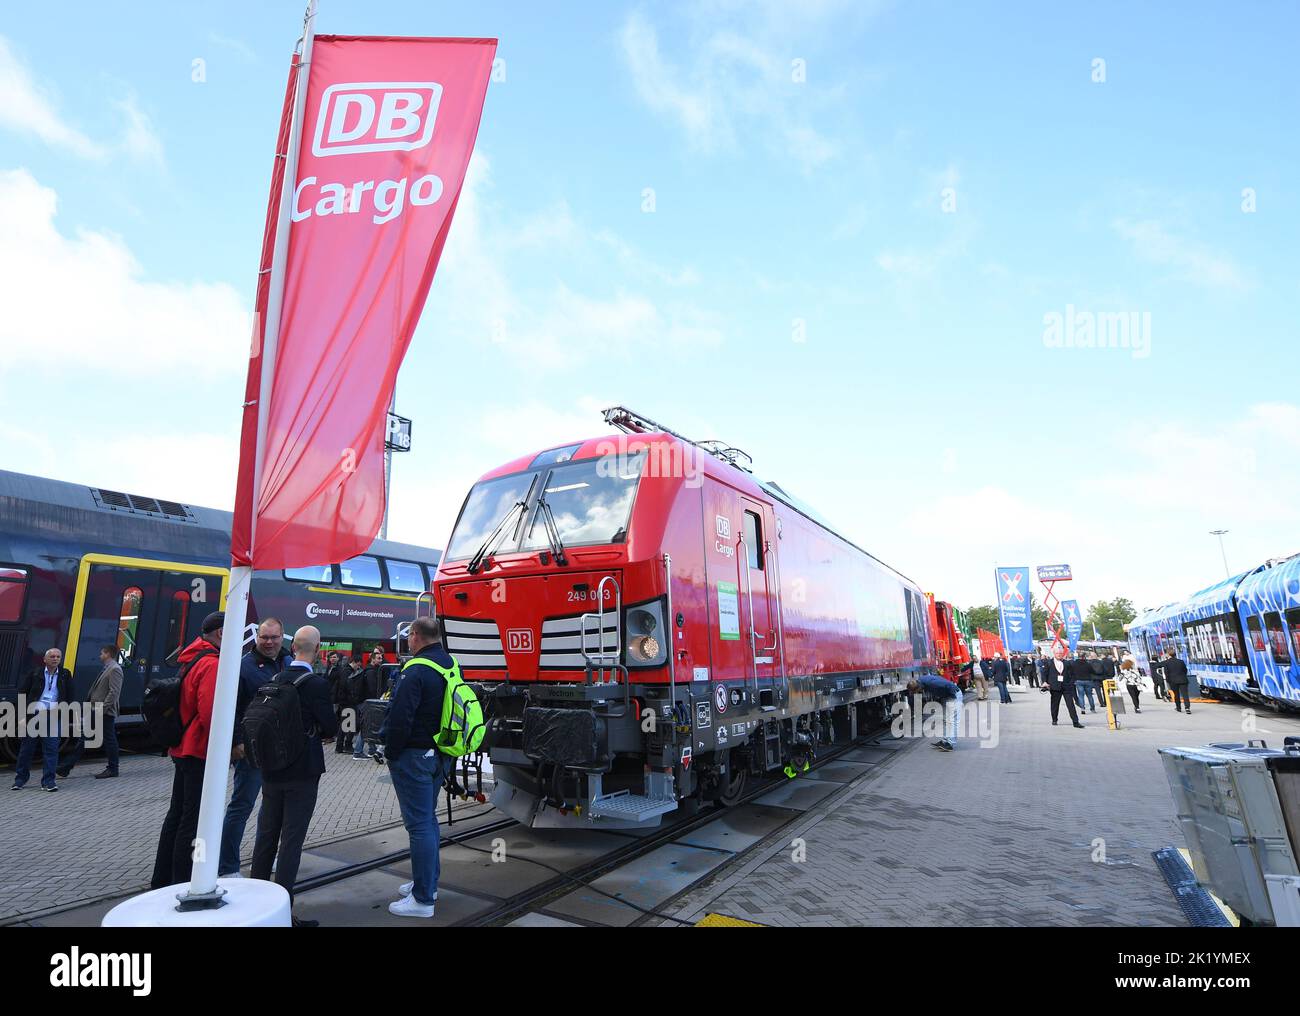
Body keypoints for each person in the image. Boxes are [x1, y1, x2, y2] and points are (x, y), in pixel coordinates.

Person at [249, 624, 336, 927]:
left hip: (271, 771)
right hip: (302, 772)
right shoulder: (315, 684)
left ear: (293, 647)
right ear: (318, 647)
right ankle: (282, 912)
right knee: (291, 842)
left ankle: (255, 906)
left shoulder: (274, 679)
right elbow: (330, 727)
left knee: (266, 836)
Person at [381, 616, 459, 917]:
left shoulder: (415, 670)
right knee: (428, 820)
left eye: (409, 636)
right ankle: (427, 883)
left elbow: (400, 717)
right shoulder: (449, 664)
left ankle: (423, 899)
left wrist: (391, 752)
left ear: (415, 636)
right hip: (440, 752)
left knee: (419, 826)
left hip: (414, 755)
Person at [150, 612, 225, 888]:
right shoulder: (212, 664)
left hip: (181, 748)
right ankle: (184, 880)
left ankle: (162, 879)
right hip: (199, 749)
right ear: (220, 634)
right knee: (193, 820)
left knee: (176, 814)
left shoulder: (191, 658)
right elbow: (210, 713)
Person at [217, 617, 292, 880]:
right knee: (241, 806)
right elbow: (232, 708)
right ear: (256, 638)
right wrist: (236, 742)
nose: (269, 642)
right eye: (264, 637)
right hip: (250, 750)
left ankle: (264, 858)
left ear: (283, 636)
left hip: (279, 751)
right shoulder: (243, 668)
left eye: (274, 637)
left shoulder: (288, 663)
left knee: (272, 810)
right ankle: (227, 867)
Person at [57, 646, 123, 779]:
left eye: (102, 653)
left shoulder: (115, 669)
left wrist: (102, 709)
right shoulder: (108, 668)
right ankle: (66, 767)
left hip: (103, 711)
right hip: (95, 708)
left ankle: (113, 768)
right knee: (87, 738)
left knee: (107, 739)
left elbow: (114, 692)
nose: (100, 656)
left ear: (108, 654)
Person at [12, 648, 73, 791]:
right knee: (26, 750)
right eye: (52, 656)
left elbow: (70, 697)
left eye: (58, 656)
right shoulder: (35, 673)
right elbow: (22, 693)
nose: (55, 659)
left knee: (51, 750)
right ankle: (20, 780)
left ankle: (48, 781)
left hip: (53, 717)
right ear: (45, 659)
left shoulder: (65, 674)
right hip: (33, 715)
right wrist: (21, 717)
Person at [906, 672, 963, 752]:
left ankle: (951, 743)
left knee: (952, 720)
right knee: (945, 720)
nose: (918, 693)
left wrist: (953, 697)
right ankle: (945, 740)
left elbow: (948, 685)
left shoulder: (932, 683)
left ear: (918, 687)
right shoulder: (921, 681)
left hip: (953, 696)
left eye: (917, 691)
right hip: (946, 697)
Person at [354, 646, 388, 759]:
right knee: (366, 727)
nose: (381, 660)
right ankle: (358, 751)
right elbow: (373, 689)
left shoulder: (371, 670)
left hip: (366, 702)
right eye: (378, 658)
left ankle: (372, 750)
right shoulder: (370, 672)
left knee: (369, 726)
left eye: (381, 658)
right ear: (373, 659)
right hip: (367, 703)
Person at [1042, 645, 1085, 728]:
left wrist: (1071, 682)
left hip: (1066, 687)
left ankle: (1075, 722)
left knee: (1071, 705)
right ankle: (1054, 719)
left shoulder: (1067, 663)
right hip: (1055, 687)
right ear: (1054, 653)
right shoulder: (1049, 663)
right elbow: (1044, 673)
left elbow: (1072, 674)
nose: (1059, 655)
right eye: (1057, 653)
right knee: (1055, 704)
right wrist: (1044, 682)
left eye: (1060, 653)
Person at [333, 655, 364, 754]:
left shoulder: (345, 671)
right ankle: (347, 745)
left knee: (345, 724)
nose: (358, 667)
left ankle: (340, 746)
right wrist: (353, 697)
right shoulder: (348, 672)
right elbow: (348, 687)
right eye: (358, 665)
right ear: (355, 662)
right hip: (348, 702)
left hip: (344, 701)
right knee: (349, 725)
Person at [1164, 648, 1191, 714]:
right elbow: (1185, 670)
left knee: (1176, 694)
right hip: (1183, 680)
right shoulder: (1181, 661)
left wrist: (1168, 680)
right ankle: (1187, 708)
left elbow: (1166, 673)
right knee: (1185, 694)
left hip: (1173, 681)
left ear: (1169, 654)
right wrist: (1183, 676)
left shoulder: (1166, 662)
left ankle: (1178, 707)